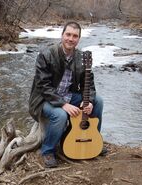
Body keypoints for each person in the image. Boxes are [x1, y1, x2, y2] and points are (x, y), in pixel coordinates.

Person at [28, 21, 104, 168]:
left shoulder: (81, 58)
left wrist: (89, 101)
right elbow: (43, 86)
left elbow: (90, 85)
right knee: (60, 115)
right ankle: (47, 151)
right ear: (62, 35)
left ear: (79, 39)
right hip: (44, 99)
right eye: (68, 34)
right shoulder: (46, 55)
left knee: (98, 101)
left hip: (68, 96)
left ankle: (94, 140)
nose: (71, 39)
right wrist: (63, 104)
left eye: (75, 36)